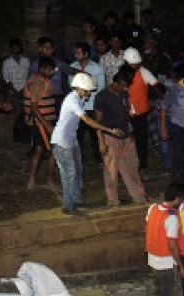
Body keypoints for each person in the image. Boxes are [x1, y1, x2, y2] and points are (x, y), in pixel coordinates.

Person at [51, 73, 125, 214]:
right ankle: (68, 206)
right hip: (62, 142)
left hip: (71, 140)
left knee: (77, 171)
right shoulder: (72, 100)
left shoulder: (79, 98)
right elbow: (88, 121)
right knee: (69, 174)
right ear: (79, 88)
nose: (89, 93)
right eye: (88, 90)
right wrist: (109, 130)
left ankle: (77, 200)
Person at [93, 69, 146, 207]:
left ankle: (138, 197)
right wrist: (101, 142)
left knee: (131, 167)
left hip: (126, 136)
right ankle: (112, 200)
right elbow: (97, 121)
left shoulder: (124, 93)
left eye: (126, 86)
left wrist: (131, 132)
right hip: (110, 137)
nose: (124, 88)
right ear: (114, 83)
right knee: (111, 171)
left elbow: (126, 114)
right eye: (122, 85)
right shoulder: (101, 97)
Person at [146, 182, 184, 296]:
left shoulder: (152, 208)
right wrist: (181, 266)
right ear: (177, 199)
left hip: (152, 260)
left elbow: (149, 226)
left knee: (157, 293)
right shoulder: (171, 218)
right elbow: (172, 246)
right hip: (165, 263)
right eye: (181, 200)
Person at [123, 47, 162, 171]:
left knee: (141, 137)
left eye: (136, 64)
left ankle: (142, 162)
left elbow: (157, 85)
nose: (135, 66)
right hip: (125, 110)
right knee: (125, 136)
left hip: (141, 111)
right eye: (132, 64)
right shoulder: (121, 73)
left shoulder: (143, 72)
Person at [23, 57, 57, 191]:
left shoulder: (37, 79)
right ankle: (47, 180)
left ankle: (33, 180)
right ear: (42, 69)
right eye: (50, 69)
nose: (52, 72)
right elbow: (34, 107)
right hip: (41, 122)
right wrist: (47, 125)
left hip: (41, 122)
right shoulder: (38, 83)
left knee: (40, 149)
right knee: (49, 150)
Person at [70, 41, 105, 164]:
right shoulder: (72, 67)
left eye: (78, 52)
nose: (76, 55)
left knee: (95, 133)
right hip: (78, 106)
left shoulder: (97, 68)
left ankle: (97, 157)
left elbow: (101, 88)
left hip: (92, 106)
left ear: (86, 54)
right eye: (75, 52)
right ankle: (79, 157)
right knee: (78, 134)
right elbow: (72, 87)